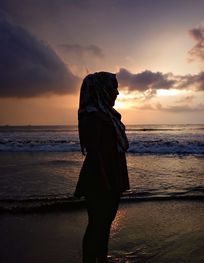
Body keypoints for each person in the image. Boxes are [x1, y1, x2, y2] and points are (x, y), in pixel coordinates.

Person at [74, 72, 130, 263]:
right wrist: (106, 182)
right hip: (100, 177)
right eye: (114, 88)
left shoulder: (107, 114)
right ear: (102, 89)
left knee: (105, 224)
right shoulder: (94, 116)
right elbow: (95, 152)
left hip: (111, 175)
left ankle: (102, 259)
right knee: (97, 224)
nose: (117, 93)